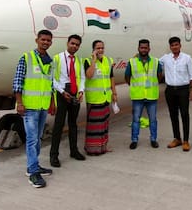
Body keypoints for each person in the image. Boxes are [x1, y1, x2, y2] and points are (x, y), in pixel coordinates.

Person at [13, 29, 56, 188]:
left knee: (37, 138)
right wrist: (20, 103)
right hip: (30, 106)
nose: (46, 42)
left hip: (43, 106)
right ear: (37, 40)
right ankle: (32, 172)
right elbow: (18, 81)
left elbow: (50, 84)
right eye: (43, 39)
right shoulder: (27, 58)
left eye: (48, 40)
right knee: (31, 139)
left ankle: (34, 165)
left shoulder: (50, 61)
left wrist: (52, 102)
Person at [50, 34, 86, 167]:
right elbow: (52, 79)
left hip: (74, 94)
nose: (74, 46)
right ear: (67, 43)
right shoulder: (57, 58)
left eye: (77, 45)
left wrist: (81, 91)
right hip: (62, 94)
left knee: (73, 124)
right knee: (58, 126)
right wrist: (62, 92)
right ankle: (54, 155)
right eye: (72, 43)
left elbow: (82, 77)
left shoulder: (78, 60)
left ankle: (74, 151)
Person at [159, 36, 192, 152]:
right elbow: (154, 62)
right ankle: (177, 138)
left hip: (183, 90)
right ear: (170, 47)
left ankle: (186, 140)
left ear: (180, 45)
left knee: (184, 115)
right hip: (170, 90)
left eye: (176, 45)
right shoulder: (165, 58)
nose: (174, 47)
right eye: (172, 45)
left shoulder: (187, 58)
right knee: (173, 115)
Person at [125, 39, 164, 149]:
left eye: (145, 48)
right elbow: (127, 77)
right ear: (138, 48)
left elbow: (160, 76)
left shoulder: (156, 62)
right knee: (136, 120)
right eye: (141, 48)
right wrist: (135, 86)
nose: (143, 50)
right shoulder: (132, 62)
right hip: (138, 96)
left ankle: (153, 139)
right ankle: (134, 140)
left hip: (151, 96)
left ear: (149, 49)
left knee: (153, 120)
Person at [83, 40, 116, 156]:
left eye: (102, 48)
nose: (101, 50)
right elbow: (89, 75)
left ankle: (103, 147)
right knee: (94, 126)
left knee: (104, 125)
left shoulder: (108, 60)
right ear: (93, 50)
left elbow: (111, 77)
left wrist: (114, 93)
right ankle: (92, 149)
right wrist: (93, 61)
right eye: (98, 48)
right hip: (94, 99)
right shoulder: (87, 61)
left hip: (106, 98)